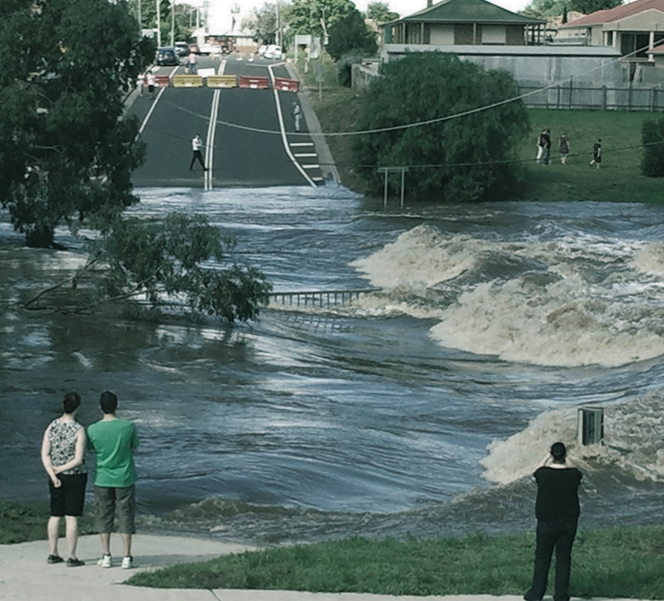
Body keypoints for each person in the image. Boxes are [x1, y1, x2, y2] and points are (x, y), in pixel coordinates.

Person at [87, 391, 139, 570]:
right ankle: (126, 556)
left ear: (101, 407)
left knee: (103, 515)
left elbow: (90, 448)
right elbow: (134, 446)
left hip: (102, 477)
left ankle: (106, 554)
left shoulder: (93, 429)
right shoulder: (128, 426)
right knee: (125, 515)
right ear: (117, 405)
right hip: (124, 477)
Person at [524, 442, 582, 601]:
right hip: (568, 521)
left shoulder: (543, 474)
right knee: (563, 558)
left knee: (542, 557)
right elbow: (575, 469)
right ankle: (561, 595)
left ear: (552, 454)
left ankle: (536, 594)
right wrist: (567, 458)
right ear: (564, 455)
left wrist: (546, 456)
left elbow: (536, 471)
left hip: (546, 521)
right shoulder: (573, 475)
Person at [41, 391, 87, 567]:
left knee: (55, 514)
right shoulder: (78, 429)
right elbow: (78, 459)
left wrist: (53, 473)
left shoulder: (52, 426)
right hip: (75, 476)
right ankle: (72, 556)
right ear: (78, 408)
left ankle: (53, 553)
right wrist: (62, 468)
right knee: (71, 517)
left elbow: (45, 454)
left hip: (55, 477)